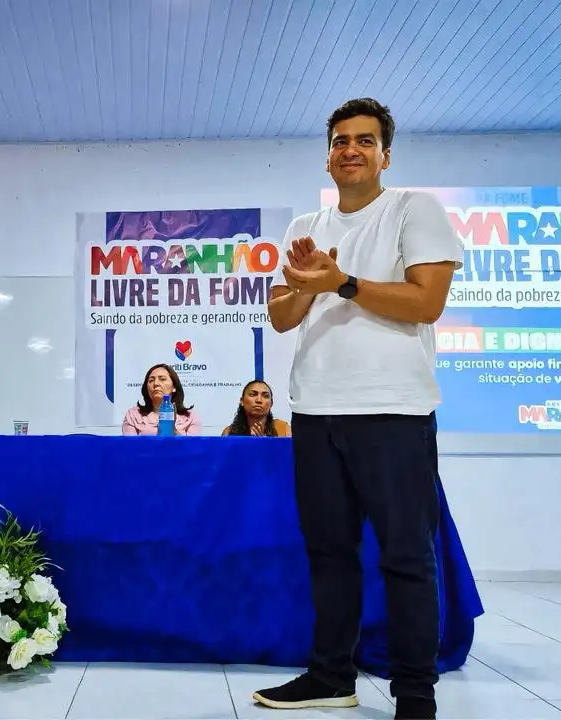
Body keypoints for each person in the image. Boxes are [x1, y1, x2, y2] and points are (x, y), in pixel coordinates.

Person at [254, 98, 463, 720]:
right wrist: (304, 284)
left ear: (384, 154)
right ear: (328, 152)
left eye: (364, 141)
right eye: (340, 140)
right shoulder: (303, 226)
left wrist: (341, 283)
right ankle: (330, 676)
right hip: (316, 410)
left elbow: (427, 302)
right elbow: (281, 316)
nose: (350, 149)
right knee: (328, 552)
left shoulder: (412, 209)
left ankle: (415, 693)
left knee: (405, 555)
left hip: (393, 411)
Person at [121, 363, 201, 435]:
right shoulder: (133, 415)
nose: (156, 384)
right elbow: (130, 448)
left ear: (174, 387)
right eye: (151, 380)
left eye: (162, 379)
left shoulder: (190, 417)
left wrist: (173, 430)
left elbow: (192, 449)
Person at [221, 380, 290, 437]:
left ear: (271, 403)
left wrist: (265, 444)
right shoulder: (228, 433)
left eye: (265, 396)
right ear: (242, 401)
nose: (259, 400)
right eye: (253, 394)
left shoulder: (283, 429)